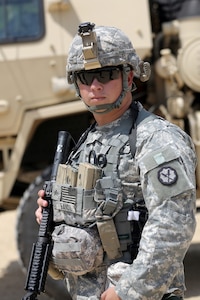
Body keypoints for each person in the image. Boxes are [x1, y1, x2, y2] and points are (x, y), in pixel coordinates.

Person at [35, 22, 197, 300]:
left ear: (129, 75)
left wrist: (128, 291)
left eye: (106, 74)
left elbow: (173, 224)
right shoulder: (86, 142)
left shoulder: (156, 138)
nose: (95, 85)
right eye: (85, 78)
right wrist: (53, 216)